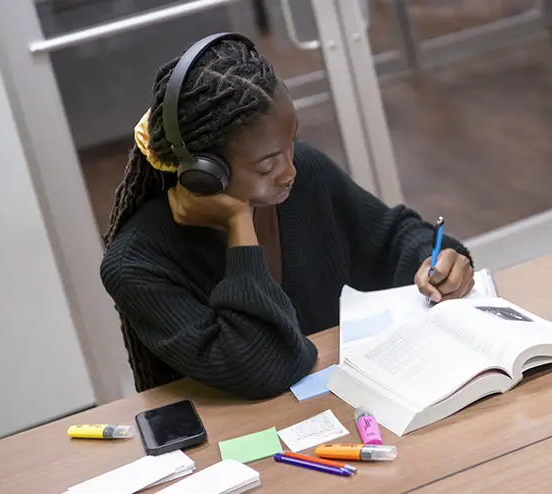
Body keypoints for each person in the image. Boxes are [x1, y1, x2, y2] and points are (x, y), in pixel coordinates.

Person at [100, 34, 475, 400]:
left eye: (290, 143)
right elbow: (264, 366)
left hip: (349, 410)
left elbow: (391, 237)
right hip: (247, 447)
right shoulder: (136, 264)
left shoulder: (305, 174)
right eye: (266, 165)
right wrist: (239, 224)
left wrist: (436, 260)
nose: (288, 171)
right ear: (204, 173)